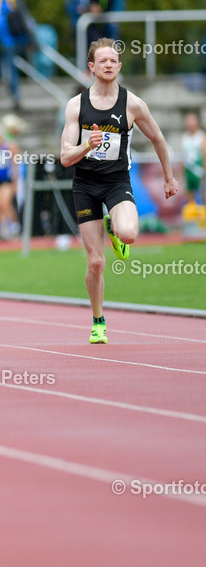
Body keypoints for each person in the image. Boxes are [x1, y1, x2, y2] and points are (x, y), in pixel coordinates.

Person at [59, 38, 178, 344]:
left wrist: (168, 177)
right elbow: (64, 156)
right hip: (85, 185)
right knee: (96, 262)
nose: (109, 65)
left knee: (129, 235)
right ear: (91, 68)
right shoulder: (77, 105)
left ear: (119, 67)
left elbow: (158, 138)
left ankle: (114, 227)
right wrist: (88, 145)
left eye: (113, 61)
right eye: (103, 61)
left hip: (116, 183)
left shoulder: (132, 103)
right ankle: (98, 320)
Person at [0, 120, 20, 239]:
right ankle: (3, 230)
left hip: (8, 179)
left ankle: (15, 227)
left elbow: (15, 164)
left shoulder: (9, 145)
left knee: (5, 203)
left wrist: (15, 181)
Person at [180, 111, 206, 204]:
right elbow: (183, 155)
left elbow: (204, 154)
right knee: (190, 193)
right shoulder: (185, 137)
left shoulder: (201, 136)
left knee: (203, 192)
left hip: (199, 170)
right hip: (189, 170)